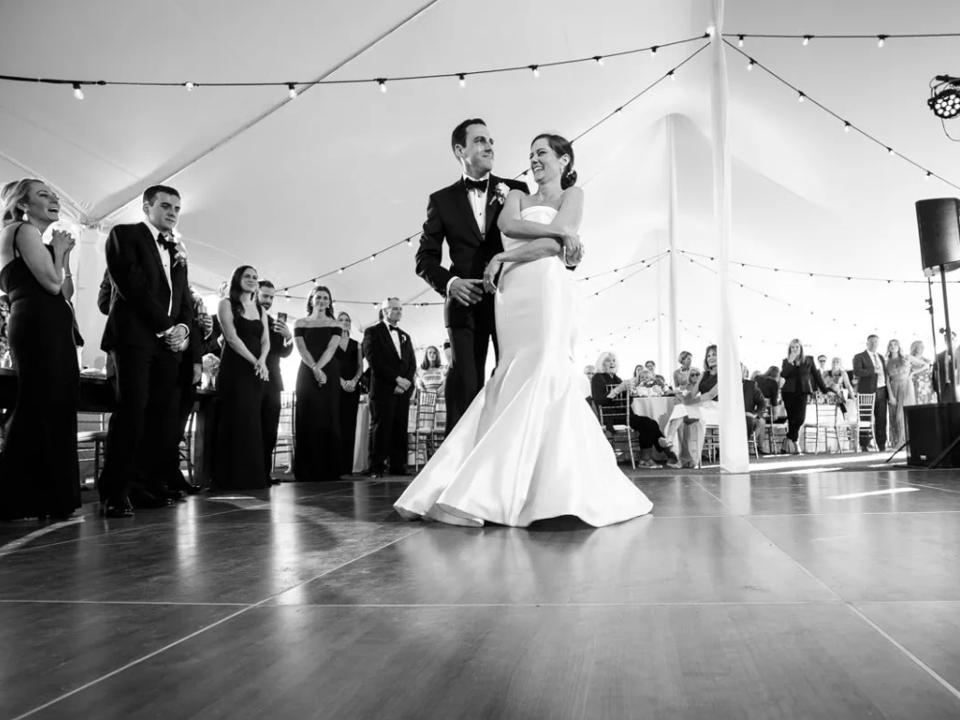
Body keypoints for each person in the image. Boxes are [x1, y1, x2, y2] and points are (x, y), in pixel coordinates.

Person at [396, 133, 652, 527]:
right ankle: (479, 483)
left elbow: (555, 247)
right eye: (530, 154)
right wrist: (557, 235)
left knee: (546, 369)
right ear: (459, 150)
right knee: (506, 376)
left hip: (544, 288)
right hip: (509, 296)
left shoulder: (573, 194)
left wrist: (506, 254)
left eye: (542, 153)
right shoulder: (514, 195)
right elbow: (511, 223)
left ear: (564, 160)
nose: (532, 159)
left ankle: (547, 487)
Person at [415, 118, 529, 435]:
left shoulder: (516, 190)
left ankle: (508, 452)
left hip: (509, 299)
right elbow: (424, 257)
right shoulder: (441, 200)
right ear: (460, 150)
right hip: (464, 305)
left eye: (491, 140)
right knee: (466, 383)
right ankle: (459, 463)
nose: (489, 145)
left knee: (512, 378)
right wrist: (451, 284)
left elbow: (528, 242)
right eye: (480, 140)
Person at [99, 185, 194, 517]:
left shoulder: (177, 249)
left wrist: (183, 328)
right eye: (165, 206)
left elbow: (184, 298)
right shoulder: (124, 235)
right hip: (134, 339)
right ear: (146, 206)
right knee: (132, 411)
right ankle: (114, 491)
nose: (172, 212)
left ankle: (145, 486)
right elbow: (131, 285)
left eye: (177, 208)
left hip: (168, 346)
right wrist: (167, 327)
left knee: (160, 417)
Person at [0, 178, 80, 520]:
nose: (54, 199)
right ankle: (19, 496)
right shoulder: (21, 230)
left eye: (55, 195)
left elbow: (66, 293)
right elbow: (51, 284)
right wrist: (60, 253)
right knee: (40, 404)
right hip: (37, 323)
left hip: (48, 322)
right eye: (44, 195)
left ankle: (46, 496)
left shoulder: (33, 236)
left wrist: (61, 256)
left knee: (53, 404)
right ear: (23, 204)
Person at [213, 266, 270, 490]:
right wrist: (254, 360)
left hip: (257, 371)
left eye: (255, 278)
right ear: (237, 279)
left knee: (251, 421)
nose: (252, 280)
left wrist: (262, 360)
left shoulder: (260, 309)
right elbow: (231, 337)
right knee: (234, 420)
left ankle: (251, 478)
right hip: (235, 369)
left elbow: (266, 339)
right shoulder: (226, 304)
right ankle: (229, 478)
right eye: (247, 276)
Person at [591, 352, 676, 467]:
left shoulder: (617, 378)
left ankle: (659, 452)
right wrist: (618, 390)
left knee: (651, 423)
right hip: (610, 417)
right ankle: (661, 453)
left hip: (624, 415)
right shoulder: (598, 377)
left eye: (614, 361)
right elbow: (599, 400)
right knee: (647, 423)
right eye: (608, 360)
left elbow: (628, 401)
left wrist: (629, 392)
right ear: (602, 363)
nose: (612, 363)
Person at [362, 298, 416, 478]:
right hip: (383, 387)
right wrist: (396, 379)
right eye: (395, 309)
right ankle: (376, 467)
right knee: (380, 426)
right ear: (385, 311)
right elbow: (373, 359)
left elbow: (411, 362)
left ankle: (398, 466)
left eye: (400, 309)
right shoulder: (372, 331)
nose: (399, 311)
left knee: (400, 426)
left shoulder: (405, 335)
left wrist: (406, 381)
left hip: (403, 389)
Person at [293, 286, 342, 481]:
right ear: (311, 300)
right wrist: (314, 368)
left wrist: (320, 368)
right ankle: (306, 470)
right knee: (307, 417)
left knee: (327, 417)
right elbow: (301, 348)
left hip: (328, 372)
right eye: (318, 297)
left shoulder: (335, 323)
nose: (322, 300)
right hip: (306, 372)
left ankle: (328, 469)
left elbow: (331, 348)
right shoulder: (300, 322)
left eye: (325, 298)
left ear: (329, 302)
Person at [257, 280, 293, 483]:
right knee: (253, 428)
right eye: (265, 296)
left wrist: (287, 337)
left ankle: (264, 473)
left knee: (270, 429)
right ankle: (253, 472)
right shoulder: (246, 318)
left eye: (271, 297)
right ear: (255, 294)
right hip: (252, 380)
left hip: (273, 382)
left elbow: (283, 352)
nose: (268, 301)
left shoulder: (274, 323)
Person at [781, 338, 832, 454]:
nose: (794, 349)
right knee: (792, 419)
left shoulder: (809, 360)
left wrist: (825, 390)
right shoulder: (786, 361)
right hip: (788, 393)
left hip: (803, 392)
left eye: (796, 347)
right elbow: (783, 374)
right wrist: (790, 362)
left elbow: (817, 376)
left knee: (800, 418)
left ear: (801, 348)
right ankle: (795, 442)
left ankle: (788, 439)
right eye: (792, 347)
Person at [885, 339, 927, 450]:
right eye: (891, 345)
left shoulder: (906, 358)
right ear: (888, 347)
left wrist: (912, 373)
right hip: (894, 388)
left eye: (895, 345)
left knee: (901, 416)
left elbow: (926, 365)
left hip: (906, 387)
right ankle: (900, 442)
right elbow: (887, 381)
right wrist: (891, 396)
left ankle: (902, 443)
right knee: (894, 416)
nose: (893, 346)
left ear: (899, 347)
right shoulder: (886, 362)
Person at [335, 311, 363, 476]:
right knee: (336, 425)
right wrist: (341, 382)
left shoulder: (356, 344)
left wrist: (354, 381)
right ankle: (335, 465)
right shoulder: (332, 342)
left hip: (353, 387)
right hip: (336, 387)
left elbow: (360, 366)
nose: (344, 322)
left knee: (349, 426)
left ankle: (347, 466)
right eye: (341, 320)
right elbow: (329, 364)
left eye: (347, 320)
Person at [852, 335, 888, 451]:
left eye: (876, 342)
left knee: (882, 418)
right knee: (865, 418)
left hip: (882, 389)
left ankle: (881, 444)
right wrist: (873, 371)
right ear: (867, 343)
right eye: (871, 342)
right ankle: (864, 444)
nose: (874, 344)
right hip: (866, 390)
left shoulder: (881, 357)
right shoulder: (859, 356)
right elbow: (857, 371)